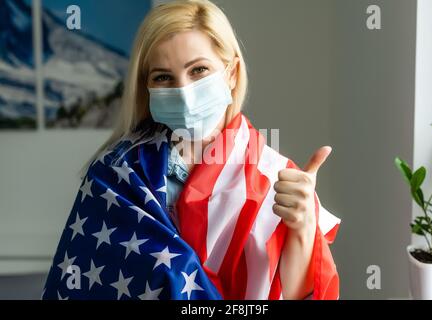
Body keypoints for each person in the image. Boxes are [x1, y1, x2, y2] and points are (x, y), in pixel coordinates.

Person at [42, 0, 340, 300]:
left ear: (231, 73)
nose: (183, 91)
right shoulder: (116, 173)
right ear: (146, 86)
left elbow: (298, 296)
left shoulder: (277, 177)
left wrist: (303, 227)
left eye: (198, 70)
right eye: (163, 77)